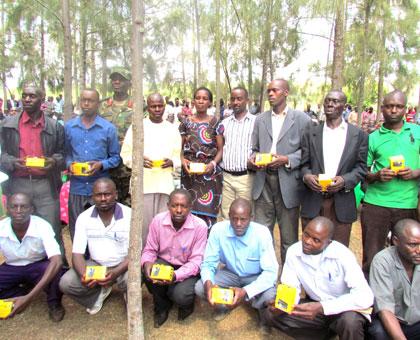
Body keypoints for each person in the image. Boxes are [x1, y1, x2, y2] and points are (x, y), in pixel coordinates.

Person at [262, 217, 374, 339]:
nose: (308, 241)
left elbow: (366, 297)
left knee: (349, 322)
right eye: (306, 235)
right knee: (270, 315)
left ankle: (337, 328)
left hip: (343, 309)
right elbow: (290, 287)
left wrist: (323, 307)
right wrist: (282, 305)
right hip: (315, 308)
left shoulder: (343, 256)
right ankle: (324, 334)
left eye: (316, 240)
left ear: (328, 242)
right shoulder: (294, 252)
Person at [249, 79, 311, 263]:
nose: (270, 94)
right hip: (263, 182)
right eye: (268, 91)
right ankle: (264, 278)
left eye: (275, 90)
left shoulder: (302, 119)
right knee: (262, 234)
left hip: (288, 183)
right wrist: (253, 159)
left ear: (286, 92)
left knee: (289, 238)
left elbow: (308, 151)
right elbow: (254, 148)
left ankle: (287, 280)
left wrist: (287, 159)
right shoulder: (260, 119)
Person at [361, 90, 420, 277]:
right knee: (372, 257)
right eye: (389, 106)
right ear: (382, 108)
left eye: (399, 106)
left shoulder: (417, 132)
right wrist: (377, 175)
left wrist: (415, 173)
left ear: (405, 108)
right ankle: (371, 302)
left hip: (408, 204)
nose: (393, 110)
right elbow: (364, 171)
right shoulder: (373, 137)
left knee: (409, 257)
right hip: (376, 205)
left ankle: (405, 301)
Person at [0, 84, 65, 251]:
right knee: (20, 229)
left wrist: (53, 161)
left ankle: (57, 271)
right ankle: (24, 268)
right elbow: (2, 155)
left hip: (45, 184)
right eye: (24, 96)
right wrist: (13, 162)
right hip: (18, 183)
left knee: (51, 230)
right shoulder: (7, 125)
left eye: (32, 96)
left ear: (42, 100)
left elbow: (63, 155)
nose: (27, 99)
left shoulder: (54, 126)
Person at [301, 90, 368, 246]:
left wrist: (344, 180)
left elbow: (361, 167)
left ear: (344, 106)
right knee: (311, 248)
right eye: (327, 100)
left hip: (341, 202)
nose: (330, 104)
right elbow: (303, 164)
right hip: (314, 199)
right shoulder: (311, 133)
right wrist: (307, 177)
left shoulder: (358, 135)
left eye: (335, 101)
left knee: (338, 250)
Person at [195, 198, 278, 324]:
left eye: (243, 219)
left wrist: (246, 291)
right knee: (200, 287)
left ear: (251, 217)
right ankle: (223, 305)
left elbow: (271, 273)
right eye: (234, 218)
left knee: (270, 296)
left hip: (254, 276)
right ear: (229, 216)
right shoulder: (218, 230)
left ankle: (259, 307)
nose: (238, 223)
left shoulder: (262, 233)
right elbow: (208, 263)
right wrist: (208, 283)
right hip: (230, 273)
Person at [59, 178, 130, 315]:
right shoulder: (84, 217)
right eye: (98, 195)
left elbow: (136, 253)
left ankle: (129, 294)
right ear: (92, 197)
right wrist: (84, 275)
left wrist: (116, 272)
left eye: (107, 194)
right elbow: (77, 254)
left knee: (135, 276)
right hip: (97, 265)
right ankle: (98, 294)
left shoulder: (129, 215)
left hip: (124, 265)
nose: (103, 199)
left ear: (116, 194)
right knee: (66, 283)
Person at [141, 189, 207, 327]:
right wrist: (147, 263)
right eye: (174, 205)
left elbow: (196, 262)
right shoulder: (158, 220)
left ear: (190, 207)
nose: (178, 210)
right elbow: (150, 249)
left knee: (180, 295)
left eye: (184, 206)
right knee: (150, 272)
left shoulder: (200, 226)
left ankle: (186, 305)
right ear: (167, 205)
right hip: (164, 261)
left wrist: (175, 276)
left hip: (187, 267)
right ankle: (162, 307)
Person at [121, 93, 181, 244]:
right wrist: (138, 161)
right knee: (144, 226)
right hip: (143, 184)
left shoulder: (172, 129)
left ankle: (161, 260)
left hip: (164, 185)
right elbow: (125, 154)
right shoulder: (137, 127)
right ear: (147, 107)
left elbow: (178, 155)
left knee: (164, 226)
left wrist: (172, 162)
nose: (157, 109)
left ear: (164, 106)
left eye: (160, 106)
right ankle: (143, 262)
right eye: (153, 106)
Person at [64, 88, 121, 240]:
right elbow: (66, 153)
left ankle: (99, 262)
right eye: (84, 100)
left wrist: (101, 165)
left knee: (101, 232)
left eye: (91, 101)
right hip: (78, 188)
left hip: (101, 190)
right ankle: (79, 262)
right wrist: (69, 164)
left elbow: (116, 158)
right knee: (77, 230)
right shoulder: (69, 127)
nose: (86, 104)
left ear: (98, 104)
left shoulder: (108, 128)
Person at [0, 193, 65, 322]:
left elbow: (57, 260)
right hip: (12, 267)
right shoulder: (1, 227)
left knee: (55, 269)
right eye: (14, 206)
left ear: (32, 209)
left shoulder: (42, 225)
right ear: (7, 208)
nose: (18, 211)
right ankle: (21, 291)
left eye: (23, 207)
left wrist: (30, 298)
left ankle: (54, 303)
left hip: (37, 266)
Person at [368, 219, 420, 339]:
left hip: (417, 323)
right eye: (413, 245)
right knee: (378, 332)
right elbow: (385, 309)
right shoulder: (382, 261)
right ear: (396, 241)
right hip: (392, 321)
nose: (419, 250)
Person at [179, 87, 224, 228]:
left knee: (207, 217)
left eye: (205, 99)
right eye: (198, 98)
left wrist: (212, 164)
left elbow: (220, 149)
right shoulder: (186, 123)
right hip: (189, 175)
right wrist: (182, 160)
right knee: (188, 214)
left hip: (210, 176)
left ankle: (206, 248)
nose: (201, 101)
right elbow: (179, 148)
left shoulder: (215, 123)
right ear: (193, 101)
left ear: (210, 103)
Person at [219, 87, 256, 219]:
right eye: (233, 99)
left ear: (247, 100)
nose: (235, 102)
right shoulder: (224, 123)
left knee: (244, 216)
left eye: (239, 99)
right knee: (226, 214)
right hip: (226, 177)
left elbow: (260, 148)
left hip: (246, 178)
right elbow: (220, 146)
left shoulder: (256, 122)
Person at [100, 67, 133, 205]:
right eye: (114, 79)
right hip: (106, 162)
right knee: (107, 199)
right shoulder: (102, 106)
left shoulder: (138, 105)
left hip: (128, 164)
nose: (117, 82)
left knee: (129, 202)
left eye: (121, 79)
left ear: (129, 83)